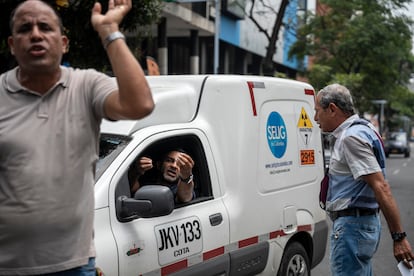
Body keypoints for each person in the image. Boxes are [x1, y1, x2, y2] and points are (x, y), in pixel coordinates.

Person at [0, 0, 154, 275]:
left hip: (74, 265)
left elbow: (139, 104)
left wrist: (109, 31)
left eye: (45, 27)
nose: (35, 34)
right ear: (12, 45)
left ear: (64, 43)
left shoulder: (86, 85)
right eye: (25, 28)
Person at [314, 83, 414, 275]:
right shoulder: (366, 129)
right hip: (360, 225)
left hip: (352, 227)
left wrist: (399, 237)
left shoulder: (351, 137)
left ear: (332, 109)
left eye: (318, 111)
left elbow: (381, 186)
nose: (315, 118)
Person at [129, 149, 195, 203]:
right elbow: (133, 189)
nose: (174, 166)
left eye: (180, 164)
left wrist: (186, 176)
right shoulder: (149, 181)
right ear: (159, 165)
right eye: (169, 161)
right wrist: (136, 171)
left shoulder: (182, 188)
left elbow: (185, 198)